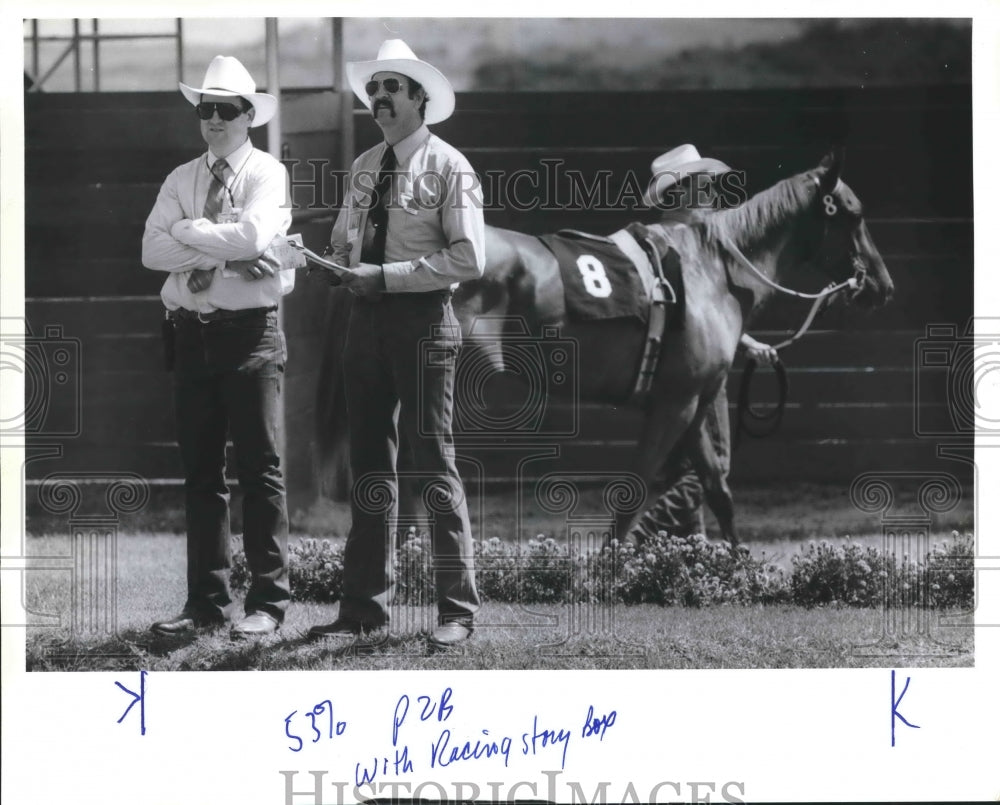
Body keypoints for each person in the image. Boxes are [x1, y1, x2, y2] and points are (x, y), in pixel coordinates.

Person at [308, 40, 484, 647]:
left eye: (392, 87)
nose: (378, 97)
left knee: (432, 459)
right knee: (369, 464)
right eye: (373, 88)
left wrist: (385, 277)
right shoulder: (364, 165)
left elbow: (469, 257)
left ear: (420, 98)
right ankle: (362, 609)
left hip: (424, 323)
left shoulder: (449, 166)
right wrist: (329, 264)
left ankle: (457, 612)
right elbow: (345, 241)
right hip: (364, 323)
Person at [142, 55, 293, 638]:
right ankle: (205, 604)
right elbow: (152, 251)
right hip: (190, 331)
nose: (214, 119)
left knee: (260, 469)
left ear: (249, 115)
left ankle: (267, 604)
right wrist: (223, 252)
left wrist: (189, 232)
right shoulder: (181, 178)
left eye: (226, 110)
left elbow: (254, 235)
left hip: (250, 333)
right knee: (202, 473)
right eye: (206, 109)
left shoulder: (266, 173)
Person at [631, 145, 777, 540]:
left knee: (681, 466)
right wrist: (745, 343)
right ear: (680, 192)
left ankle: (686, 550)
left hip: (660, 372)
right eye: (704, 184)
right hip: (698, 373)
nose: (713, 193)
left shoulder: (652, 240)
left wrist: (745, 342)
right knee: (714, 465)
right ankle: (642, 535)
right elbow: (701, 315)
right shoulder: (692, 245)